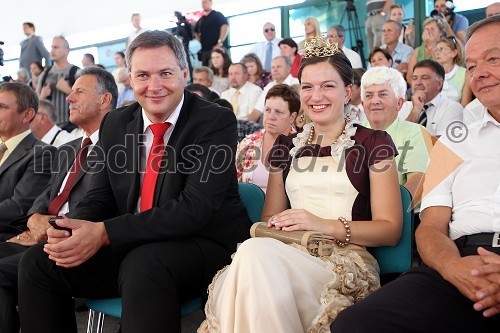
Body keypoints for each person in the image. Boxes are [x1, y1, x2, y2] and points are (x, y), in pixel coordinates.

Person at [17, 30, 250, 333]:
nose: (154, 86)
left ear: (183, 72)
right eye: (142, 75)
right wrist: (72, 229)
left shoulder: (215, 120)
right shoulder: (116, 122)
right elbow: (101, 196)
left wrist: (104, 233)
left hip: (203, 245)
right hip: (132, 241)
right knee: (39, 262)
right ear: (129, 78)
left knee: (144, 263)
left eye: (165, 73)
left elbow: (195, 208)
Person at [198, 36, 403, 332]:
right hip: (288, 252)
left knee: (252, 261)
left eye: (327, 86)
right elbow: (269, 219)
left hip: (346, 262)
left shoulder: (375, 142)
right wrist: (285, 226)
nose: (315, 96)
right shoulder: (285, 145)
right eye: (307, 86)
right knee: (253, 255)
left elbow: (390, 229)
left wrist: (322, 224)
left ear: (348, 92)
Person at [332, 16, 500, 332]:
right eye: (473, 65)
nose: (480, 73)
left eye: (493, 59)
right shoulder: (453, 140)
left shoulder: (414, 134)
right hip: (459, 262)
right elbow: (431, 226)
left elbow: (410, 192)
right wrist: (454, 268)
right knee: (356, 324)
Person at [0, 67, 117, 333]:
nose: (69, 98)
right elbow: (42, 200)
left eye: (79, 91)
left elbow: (97, 205)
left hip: (76, 242)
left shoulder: (118, 147)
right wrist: (34, 221)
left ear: (104, 100)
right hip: (38, 235)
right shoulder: (68, 150)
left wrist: (49, 228)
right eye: (71, 91)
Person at [361, 66, 430, 198]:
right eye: (369, 95)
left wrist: (387, 209)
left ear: (399, 103)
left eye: (383, 94)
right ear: (363, 104)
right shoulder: (351, 134)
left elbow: (416, 183)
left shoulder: (414, 132)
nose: (375, 101)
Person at [0, 83, 56, 240]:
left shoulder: (43, 153)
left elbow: (18, 208)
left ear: (27, 115)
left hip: (8, 239)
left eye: (2, 107)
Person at [235, 84, 298, 192]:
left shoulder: (300, 145)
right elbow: (236, 184)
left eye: (278, 112)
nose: (271, 117)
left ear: (292, 117)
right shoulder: (247, 143)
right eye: (268, 110)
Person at [400, 59, 463, 137]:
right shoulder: (404, 107)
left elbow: (442, 143)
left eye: (425, 78)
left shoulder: (452, 108)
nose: (418, 82)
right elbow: (399, 138)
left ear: (439, 83)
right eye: (415, 78)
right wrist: (416, 110)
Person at [36, 36, 80, 130]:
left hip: (72, 127)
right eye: (51, 47)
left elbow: (86, 100)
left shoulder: (76, 72)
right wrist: (42, 96)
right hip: (48, 128)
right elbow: (36, 102)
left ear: (67, 51)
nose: (52, 51)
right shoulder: (44, 74)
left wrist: (68, 90)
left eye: (56, 47)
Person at [251, 56, 299, 121]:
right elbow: (257, 110)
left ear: (289, 68)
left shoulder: (297, 83)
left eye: (278, 67)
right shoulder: (269, 86)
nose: (275, 70)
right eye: (273, 67)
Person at [433, 36, 473, 106]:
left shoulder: (465, 74)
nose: (437, 52)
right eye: (436, 49)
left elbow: (465, 105)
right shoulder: (431, 73)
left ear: (454, 53)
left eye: (442, 49)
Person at [407, 16, 446, 83]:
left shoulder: (445, 48)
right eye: (426, 29)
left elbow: (442, 71)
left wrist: (431, 46)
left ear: (440, 32)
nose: (428, 32)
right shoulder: (418, 51)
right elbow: (409, 76)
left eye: (432, 29)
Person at [194, 0, 229, 66]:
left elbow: (225, 26)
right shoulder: (201, 20)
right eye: (202, 2)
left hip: (217, 48)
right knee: (206, 72)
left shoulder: (217, 15)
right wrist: (201, 41)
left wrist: (220, 42)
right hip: (204, 51)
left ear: (211, 3)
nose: (203, 4)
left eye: (205, 2)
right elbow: (195, 32)